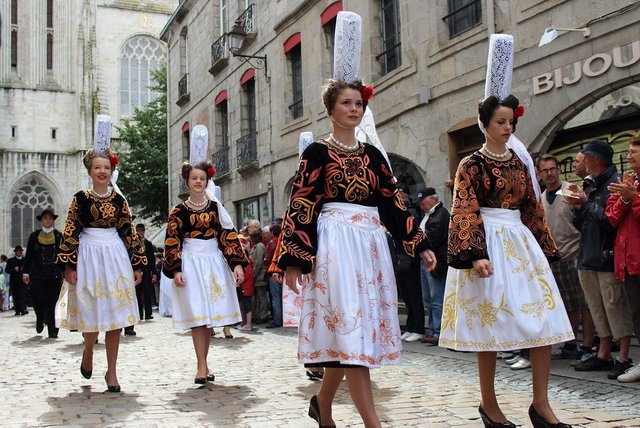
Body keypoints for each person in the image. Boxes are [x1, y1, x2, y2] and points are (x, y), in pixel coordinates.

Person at [278, 78, 435, 428]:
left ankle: (322, 404)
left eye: (358, 104)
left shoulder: (373, 156)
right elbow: (302, 203)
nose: (354, 109)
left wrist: (418, 243)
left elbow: (393, 204)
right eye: (346, 103)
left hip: (369, 247)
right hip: (334, 245)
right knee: (349, 327)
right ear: (330, 109)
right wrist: (294, 260)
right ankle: (372, 422)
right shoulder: (317, 153)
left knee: (352, 335)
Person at [441, 94, 574, 427]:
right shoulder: (470, 164)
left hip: (520, 243)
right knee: (489, 327)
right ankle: (489, 403)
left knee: (544, 322)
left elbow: (531, 206)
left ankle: (541, 404)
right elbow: (463, 209)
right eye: (500, 122)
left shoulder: (518, 161)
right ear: (484, 124)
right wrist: (475, 254)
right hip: (488, 244)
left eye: (510, 122)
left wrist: (544, 246)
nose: (506, 127)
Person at [56, 147, 145, 392]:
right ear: (90, 171)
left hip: (115, 256)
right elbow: (71, 229)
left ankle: (112, 372)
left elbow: (128, 230)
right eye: (97, 167)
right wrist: (69, 265)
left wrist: (137, 263)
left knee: (116, 314)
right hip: (89, 256)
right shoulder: (80, 198)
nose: (102, 171)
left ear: (112, 170)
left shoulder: (119, 200)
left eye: (106, 167)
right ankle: (87, 351)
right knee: (91, 312)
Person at [163, 160, 246, 384]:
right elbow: (172, 241)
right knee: (198, 316)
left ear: (207, 181)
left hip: (212, 263)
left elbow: (228, 236)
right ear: (187, 182)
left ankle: (204, 363)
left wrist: (236, 263)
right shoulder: (178, 211)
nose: (198, 182)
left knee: (207, 318)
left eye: (202, 178)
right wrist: (176, 269)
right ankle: (201, 365)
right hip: (190, 263)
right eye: (194, 178)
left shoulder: (215, 208)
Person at [565, 140, 634, 380]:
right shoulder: (592, 184)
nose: (583, 162)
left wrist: (586, 203)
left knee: (615, 307)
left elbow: (610, 220)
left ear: (596, 160)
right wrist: (577, 207)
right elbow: (581, 224)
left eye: (585, 158)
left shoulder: (615, 184)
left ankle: (623, 355)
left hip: (606, 256)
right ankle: (603, 352)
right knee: (597, 308)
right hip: (588, 254)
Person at [537, 154, 595, 360]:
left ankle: (587, 345)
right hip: (556, 257)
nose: (550, 173)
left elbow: (582, 219)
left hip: (577, 253)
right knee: (567, 303)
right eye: (545, 170)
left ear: (559, 169)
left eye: (553, 168)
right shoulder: (542, 198)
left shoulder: (571, 190)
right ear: (540, 174)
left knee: (585, 302)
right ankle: (570, 343)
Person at [604, 136, 640, 383]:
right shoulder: (627, 181)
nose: (628, 156)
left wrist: (633, 197)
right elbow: (612, 217)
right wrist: (626, 197)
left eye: (633, 152)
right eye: (627, 152)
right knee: (637, 314)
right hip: (627, 260)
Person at [416, 188, 449, 345]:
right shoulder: (429, 216)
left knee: (437, 299)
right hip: (427, 259)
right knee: (428, 299)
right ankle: (433, 329)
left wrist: (418, 243)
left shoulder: (441, 214)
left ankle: (438, 331)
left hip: (436, 261)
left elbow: (432, 238)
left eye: (423, 203)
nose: (421, 206)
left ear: (431, 199)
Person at [23, 208, 64, 338]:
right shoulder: (34, 236)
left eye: (50, 218)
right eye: (45, 218)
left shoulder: (58, 236)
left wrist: (64, 272)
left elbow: (62, 255)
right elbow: (29, 255)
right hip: (37, 274)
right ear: (41, 220)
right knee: (39, 299)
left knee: (53, 302)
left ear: (53, 220)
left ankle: (53, 330)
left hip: (54, 274)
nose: (48, 220)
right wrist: (25, 272)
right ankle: (40, 317)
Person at [395, 186, 426, 343]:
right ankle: (411, 327)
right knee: (407, 297)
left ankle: (418, 328)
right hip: (401, 260)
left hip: (410, 261)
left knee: (414, 296)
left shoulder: (411, 214)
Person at [250, 229, 270, 325]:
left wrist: (253, 275)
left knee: (262, 297)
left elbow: (258, 263)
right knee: (259, 297)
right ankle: (260, 314)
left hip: (260, 276)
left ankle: (264, 315)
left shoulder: (259, 247)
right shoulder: (258, 246)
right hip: (259, 276)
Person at [7, 246, 27, 316]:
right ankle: (17, 310)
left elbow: (30, 269)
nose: (19, 252)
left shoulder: (25, 260)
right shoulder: (10, 260)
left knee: (23, 295)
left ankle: (23, 309)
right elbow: (7, 270)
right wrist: (13, 269)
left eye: (20, 251)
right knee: (16, 296)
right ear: (15, 252)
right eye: (18, 251)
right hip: (14, 281)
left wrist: (24, 269)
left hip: (23, 280)